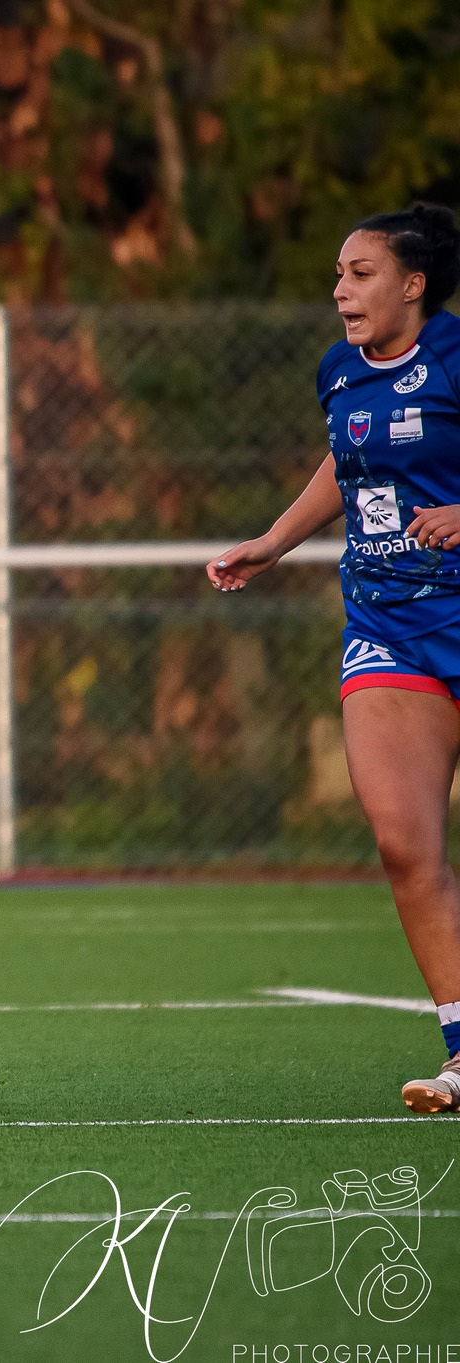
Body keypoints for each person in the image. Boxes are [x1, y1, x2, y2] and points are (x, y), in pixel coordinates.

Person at [209, 203, 460, 1114]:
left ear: (414, 282)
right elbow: (340, 460)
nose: (340, 290)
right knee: (404, 842)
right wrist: (274, 540)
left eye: (359, 272)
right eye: (339, 274)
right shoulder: (339, 370)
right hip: (388, 623)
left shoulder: (459, 357)